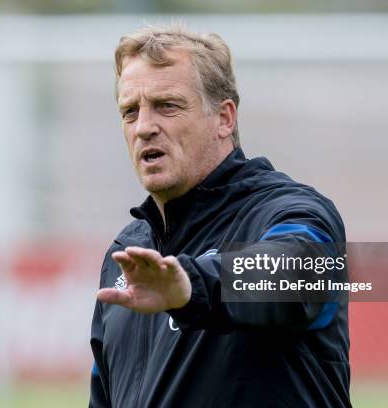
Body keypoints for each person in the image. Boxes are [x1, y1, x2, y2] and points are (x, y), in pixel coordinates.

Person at [89, 24, 351, 407]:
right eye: (130, 112)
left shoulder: (286, 211)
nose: (144, 127)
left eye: (168, 105)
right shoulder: (128, 253)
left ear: (224, 119)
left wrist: (192, 288)